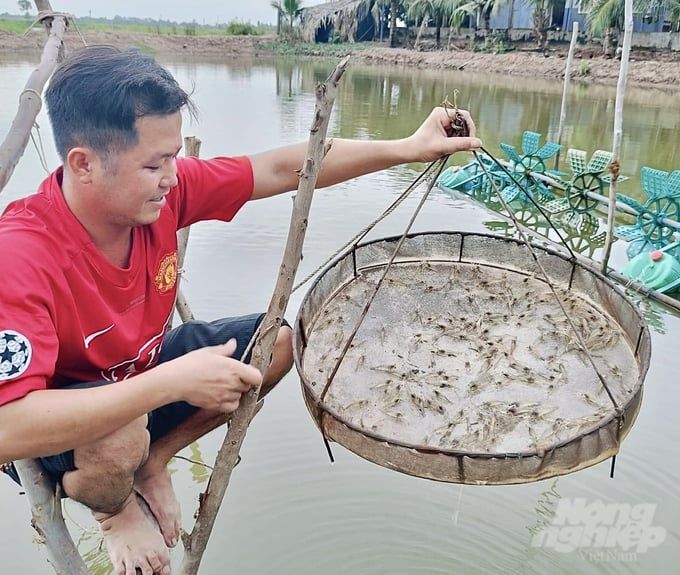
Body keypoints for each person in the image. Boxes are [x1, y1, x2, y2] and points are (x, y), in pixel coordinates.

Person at [0, 46, 481, 575]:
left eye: (174, 157)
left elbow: (279, 167)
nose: (171, 176)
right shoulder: (23, 253)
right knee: (121, 433)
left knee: (281, 341)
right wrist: (168, 385)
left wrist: (409, 147)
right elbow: (7, 428)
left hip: (140, 373)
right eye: (153, 164)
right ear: (84, 164)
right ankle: (114, 509)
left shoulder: (164, 192)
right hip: (65, 422)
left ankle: (152, 463)